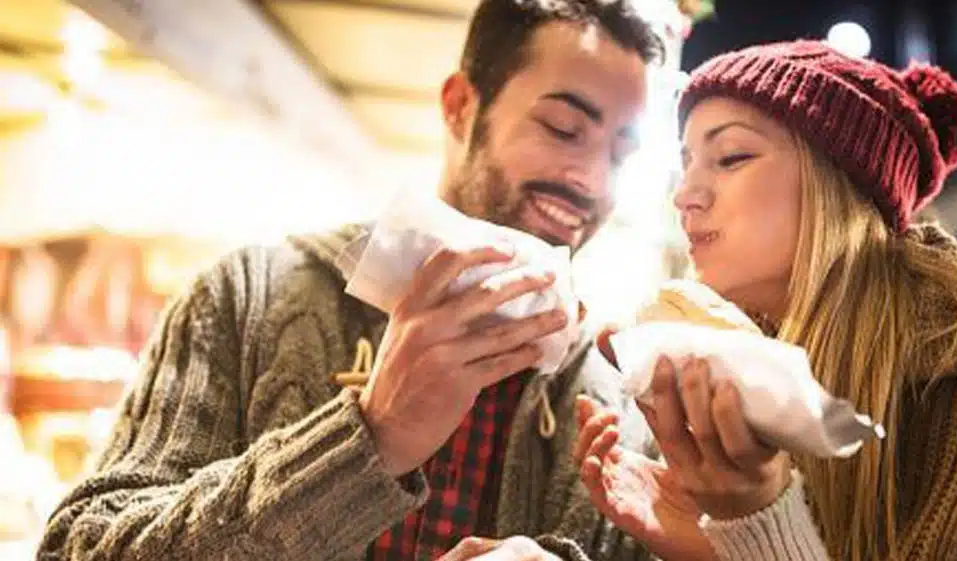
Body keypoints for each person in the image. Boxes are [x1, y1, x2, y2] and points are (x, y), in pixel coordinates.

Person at [36, 1, 669, 559]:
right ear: (459, 107)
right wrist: (372, 436)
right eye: (563, 129)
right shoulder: (244, 297)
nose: (593, 181)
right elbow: (77, 549)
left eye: (620, 154)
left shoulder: (615, 391)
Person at [573, 40, 957, 561]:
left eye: (731, 157)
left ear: (840, 187)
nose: (685, 193)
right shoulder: (735, 379)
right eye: (687, 162)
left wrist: (756, 526)